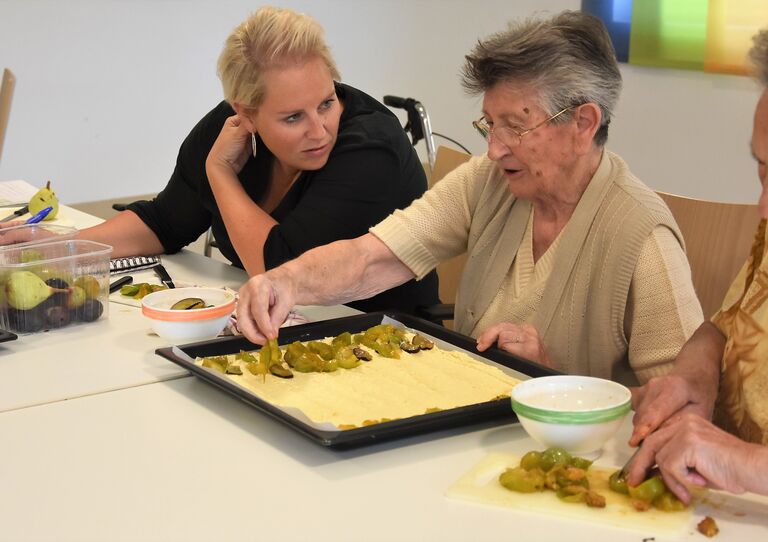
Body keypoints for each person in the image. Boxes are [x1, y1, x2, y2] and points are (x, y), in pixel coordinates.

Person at [235, 10, 703, 386]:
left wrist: (555, 379)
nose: (494, 148)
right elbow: (371, 258)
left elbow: (682, 411)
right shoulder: (491, 180)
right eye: (489, 124)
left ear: (582, 124)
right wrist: (285, 282)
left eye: (515, 127)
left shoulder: (643, 240)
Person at [78, 6, 439, 314]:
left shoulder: (372, 150)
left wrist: (219, 173)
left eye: (327, 103)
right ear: (246, 113)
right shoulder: (229, 128)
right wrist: (58, 248)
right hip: (285, 328)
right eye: (293, 117)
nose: (320, 131)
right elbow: (165, 223)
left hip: (386, 343)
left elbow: (279, 268)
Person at [628, 28, 768, 503]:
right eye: (764, 170)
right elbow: (723, 328)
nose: (763, 208)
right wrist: (694, 379)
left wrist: (746, 463)